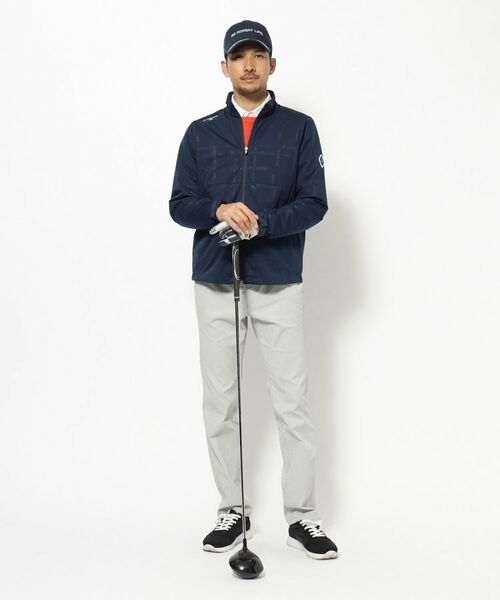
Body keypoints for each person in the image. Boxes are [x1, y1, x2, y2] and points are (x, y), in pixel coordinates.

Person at [169, 20, 338, 560]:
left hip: (277, 278)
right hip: (215, 280)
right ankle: (232, 508)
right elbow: (179, 204)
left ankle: (302, 517)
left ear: (271, 64)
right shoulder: (200, 132)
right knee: (221, 401)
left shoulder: (299, 128)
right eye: (238, 56)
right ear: (224, 67)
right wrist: (217, 209)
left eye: (257, 55)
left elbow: (314, 203)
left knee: (292, 401)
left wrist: (261, 224)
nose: (248, 64)